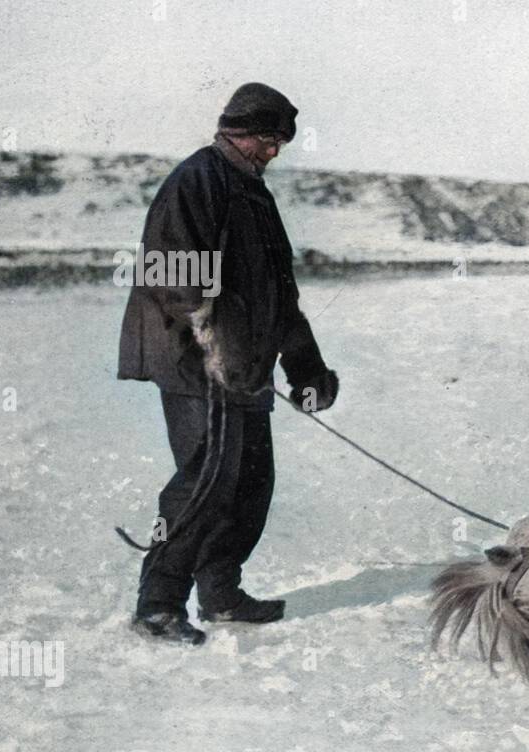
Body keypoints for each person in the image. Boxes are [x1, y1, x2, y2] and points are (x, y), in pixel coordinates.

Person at [117, 82, 339, 645]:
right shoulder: (196, 181)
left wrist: (307, 369)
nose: (275, 152)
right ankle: (158, 604)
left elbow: (279, 296)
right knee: (205, 480)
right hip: (196, 365)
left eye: (281, 141)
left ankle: (220, 594)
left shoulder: (255, 196)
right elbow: (174, 278)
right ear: (237, 131)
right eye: (269, 139)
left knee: (251, 482)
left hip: (245, 366)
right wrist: (214, 347)